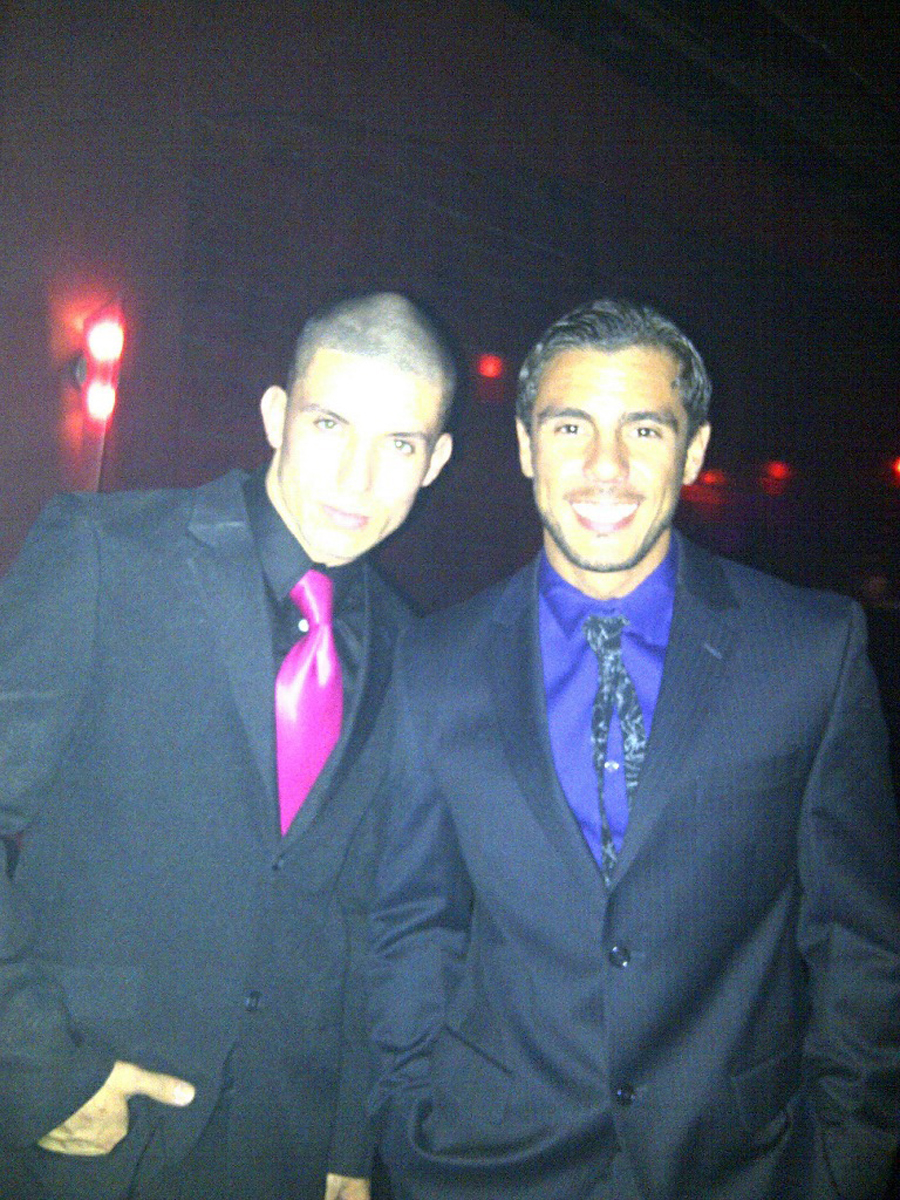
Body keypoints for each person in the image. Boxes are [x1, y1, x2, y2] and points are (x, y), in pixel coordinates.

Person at [367, 298, 900, 1200]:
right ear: (527, 446)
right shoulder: (436, 662)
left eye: (644, 429)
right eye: (570, 426)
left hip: (746, 1168)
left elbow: (861, 944)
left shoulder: (811, 650)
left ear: (692, 452)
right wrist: (408, 1114)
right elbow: (414, 922)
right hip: (483, 1164)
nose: (605, 466)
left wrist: (843, 1165)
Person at [0, 291, 454, 1200]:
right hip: (86, 1120)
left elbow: (365, 908)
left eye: (399, 445)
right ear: (277, 415)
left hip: (278, 1150)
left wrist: (346, 1140)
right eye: (329, 424)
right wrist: (35, 1062)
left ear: (435, 462)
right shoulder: (106, 554)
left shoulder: (415, 652)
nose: (357, 478)